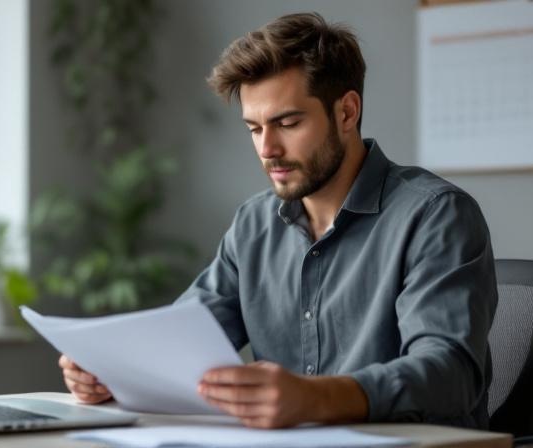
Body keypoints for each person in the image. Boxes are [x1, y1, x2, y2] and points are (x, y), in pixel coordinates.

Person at [58, 12, 497, 430]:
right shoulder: (253, 226)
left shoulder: (435, 214)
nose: (267, 149)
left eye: (287, 122)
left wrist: (316, 398)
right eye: (254, 128)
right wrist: (113, 371)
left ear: (346, 113)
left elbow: (450, 372)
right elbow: (179, 343)